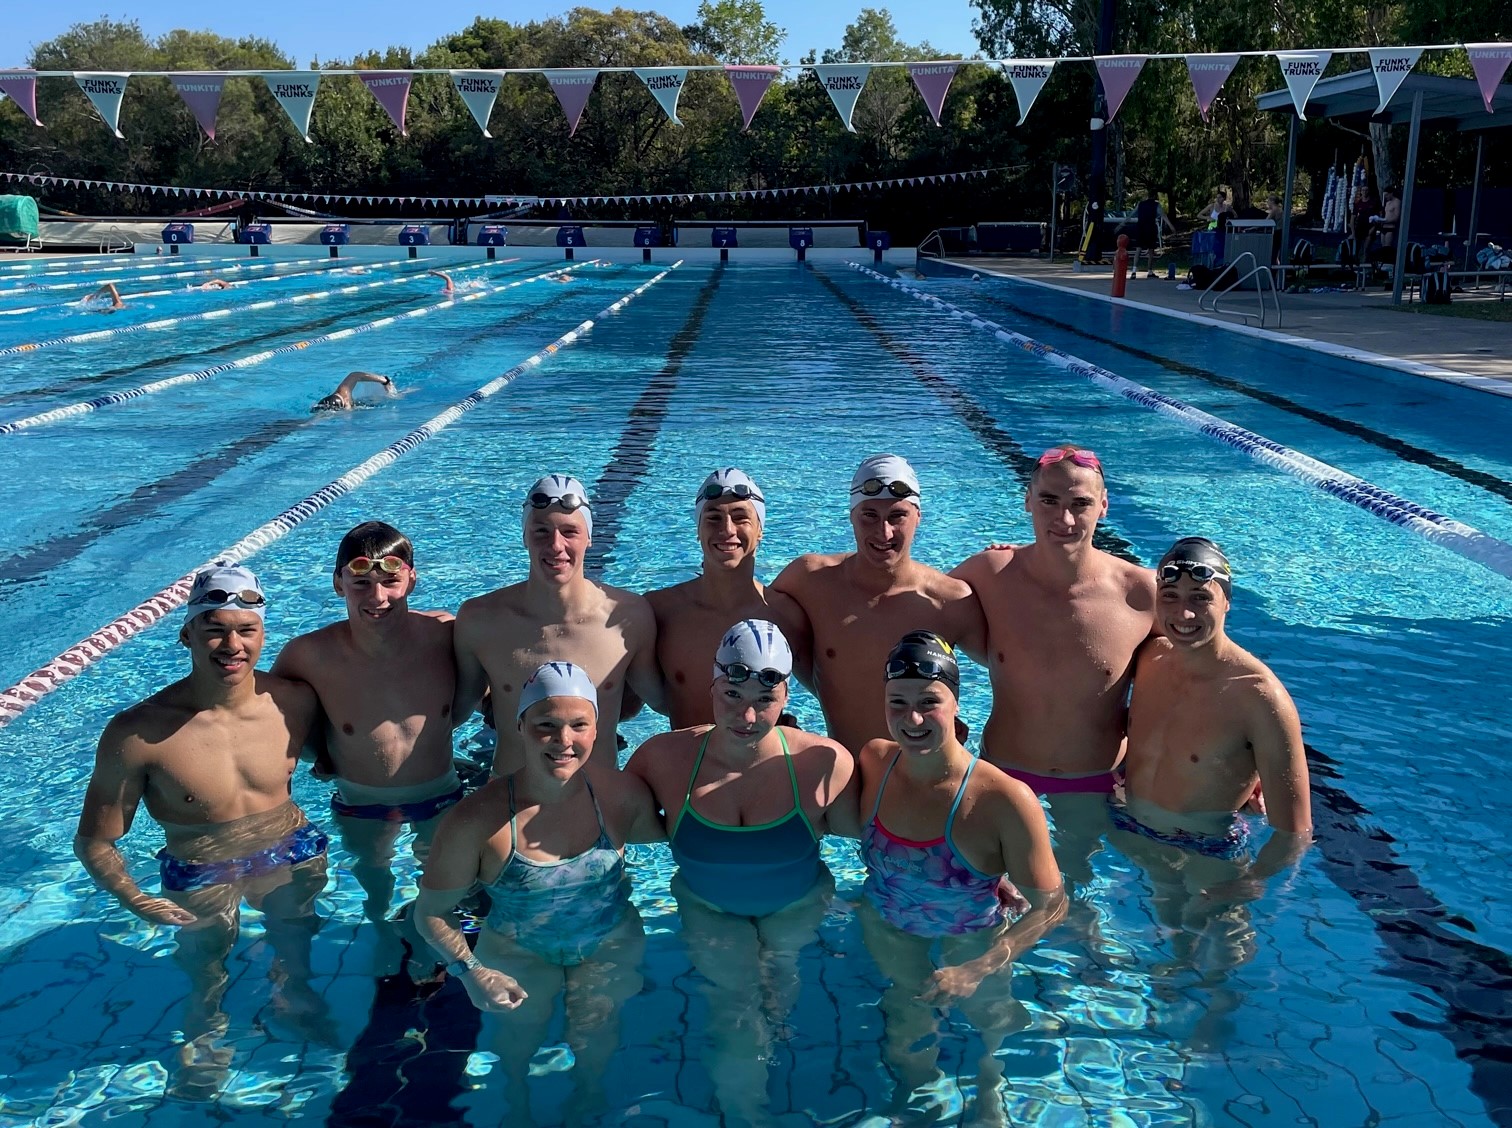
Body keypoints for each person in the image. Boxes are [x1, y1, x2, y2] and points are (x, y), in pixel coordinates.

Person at [74, 565, 330, 1098]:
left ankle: (296, 998)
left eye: (246, 630)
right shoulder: (139, 733)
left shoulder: (294, 701)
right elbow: (96, 839)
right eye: (214, 628)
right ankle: (204, 1029)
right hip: (200, 865)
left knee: (296, 941)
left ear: (263, 634)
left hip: (291, 847)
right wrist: (133, 897)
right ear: (186, 633)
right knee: (206, 964)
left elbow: (331, 759)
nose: (231, 645)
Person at [626, 620, 853, 1127]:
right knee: (733, 1007)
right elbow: (602, 828)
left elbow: (887, 836)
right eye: (731, 694)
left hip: (798, 904)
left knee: (778, 985)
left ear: (787, 694)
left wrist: (988, 872)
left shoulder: (823, 762)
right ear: (711, 686)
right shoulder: (662, 761)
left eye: (763, 699)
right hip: (709, 908)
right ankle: (745, 1113)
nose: (747, 715)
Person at [417, 662, 662, 1125]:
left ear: (597, 727)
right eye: (546, 726)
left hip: (609, 943)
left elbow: (675, 839)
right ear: (520, 727)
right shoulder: (476, 821)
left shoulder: (620, 794)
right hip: (518, 951)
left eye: (578, 725)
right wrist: (471, 972)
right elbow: (431, 912)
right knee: (516, 1050)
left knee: (597, 1041)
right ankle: (516, 1105)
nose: (563, 741)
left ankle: (589, 1103)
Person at [847, 631, 1065, 1122]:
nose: (913, 719)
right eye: (897, 703)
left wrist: (980, 966)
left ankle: (991, 1090)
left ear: (956, 700)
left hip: (972, 936)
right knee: (905, 1038)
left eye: (929, 702)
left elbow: (1053, 905)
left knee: (992, 1027)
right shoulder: (876, 761)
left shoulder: (1003, 800)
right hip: (889, 927)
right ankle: (920, 1103)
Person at [951, 445, 1156, 882]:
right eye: (1049, 501)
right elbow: (919, 629)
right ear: (1028, 500)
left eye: (1080, 504)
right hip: (1003, 773)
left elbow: (1203, 677)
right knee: (992, 894)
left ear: (1103, 506)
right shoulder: (988, 573)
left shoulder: (1141, 593)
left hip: (1097, 779)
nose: (1064, 520)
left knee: (1078, 891)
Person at [1111, 538, 1311, 976]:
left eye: (1201, 599)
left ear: (1227, 603)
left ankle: (1215, 1026)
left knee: (1222, 966)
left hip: (1208, 853)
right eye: (1172, 598)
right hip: (1132, 829)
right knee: (1168, 943)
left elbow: (1294, 831)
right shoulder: (1149, 657)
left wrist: (1248, 884)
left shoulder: (1259, 697)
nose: (1184, 614)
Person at [269, 522, 461, 951]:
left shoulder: (447, 637)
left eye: (391, 581)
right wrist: (318, 752)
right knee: (375, 887)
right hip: (361, 803)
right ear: (339, 583)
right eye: (361, 583)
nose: (378, 598)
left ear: (412, 577)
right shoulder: (309, 655)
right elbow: (272, 720)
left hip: (443, 797)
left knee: (446, 897)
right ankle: (381, 934)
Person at [771, 454, 985, 757]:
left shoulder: (949, 601)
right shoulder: (809, 580)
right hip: (846, 774)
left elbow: (1011, 670)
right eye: (869, 515)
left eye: (897, 516)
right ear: (851, 516)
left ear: (918, 517)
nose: (883, 532)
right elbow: (757, 635)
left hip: (921, 777)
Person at [452, 474, 664, 776]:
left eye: (569, 532)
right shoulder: (480, 620)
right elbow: (449, 716)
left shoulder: (629, 619)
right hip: (511, 803)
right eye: (541, 532)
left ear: (589, 536)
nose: (555, 545)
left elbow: (668, 705)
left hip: (596, 803)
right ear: (524, 536)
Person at [645, 467, 812, 728]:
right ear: (698, 530)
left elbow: (829, 693)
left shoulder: (786, 615)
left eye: (740, 517)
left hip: (764, 765)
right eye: (713, 518)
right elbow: (622, 704)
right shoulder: (660, 612)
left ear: (760, 530)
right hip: (690, 766)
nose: (727, 529)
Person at [1132, 188, 1175, 278]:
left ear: (1147, 195)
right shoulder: (1156, 205)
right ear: (1155, 196)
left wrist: (1122, 223)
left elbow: (1132, 214)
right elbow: (1163, 215)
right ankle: (1150, 271)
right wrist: (1171, 226)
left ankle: (1134, 270)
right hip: (1150, 228)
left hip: (1140, 227)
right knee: (1151, 250)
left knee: (1138, 249)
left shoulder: (1140, 204)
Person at [311, 370, 396, 412]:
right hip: (335, 401)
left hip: (335, 403)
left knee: (311, 422)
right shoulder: (345, 394)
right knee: (310, 423)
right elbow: (354, 375)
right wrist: (385, 380)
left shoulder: (354, 404)